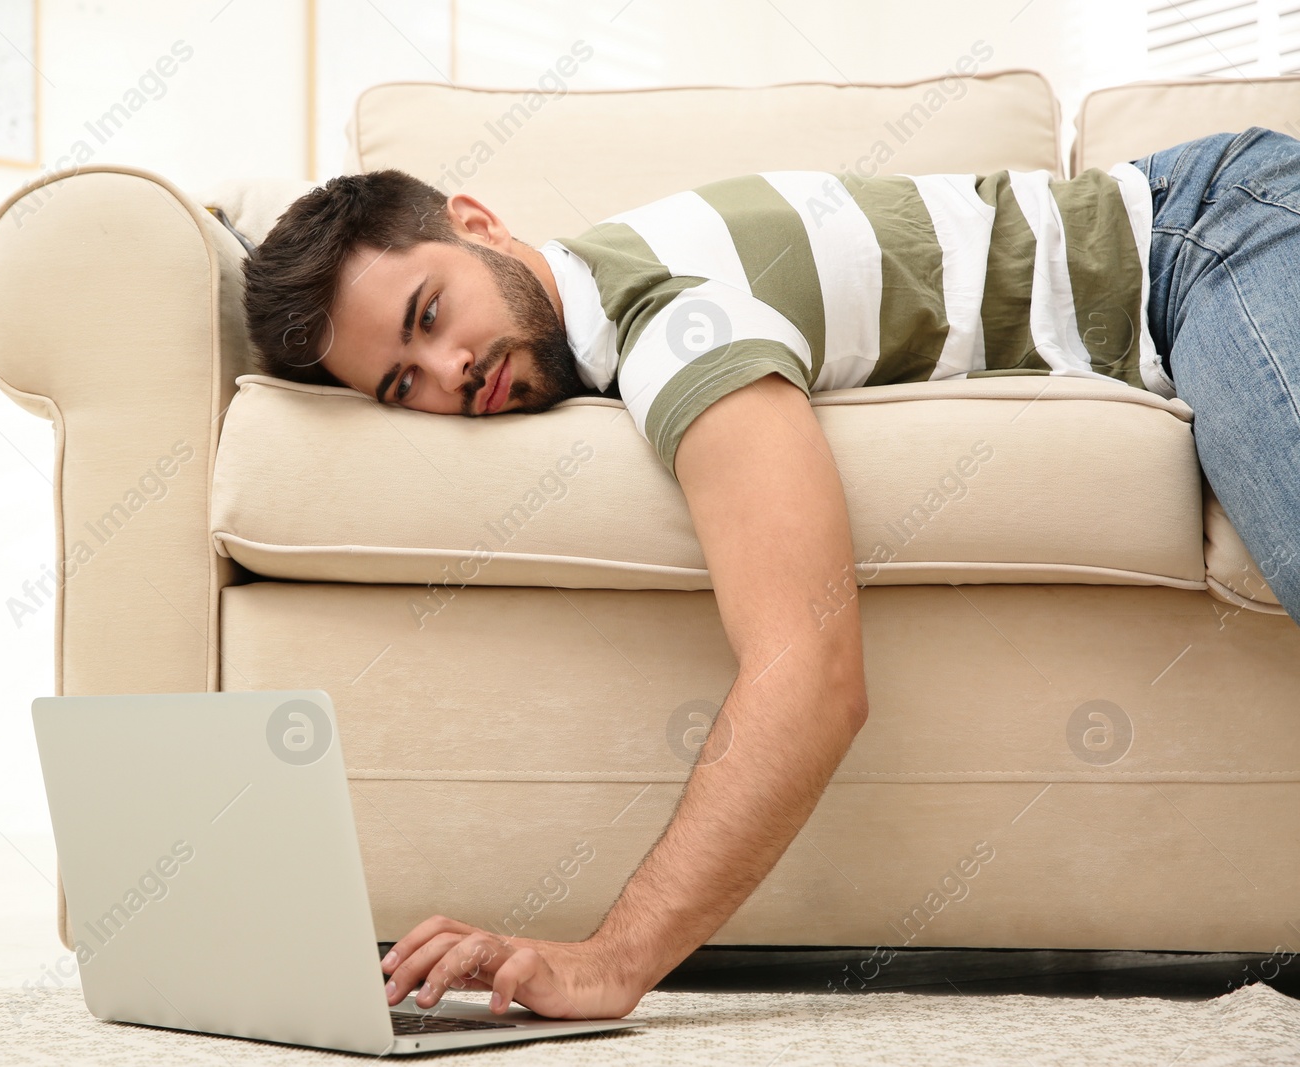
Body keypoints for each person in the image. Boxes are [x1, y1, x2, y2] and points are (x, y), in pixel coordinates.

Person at [239, 126, 1300, 1020]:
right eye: (398, 386)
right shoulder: (608, 308)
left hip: (1211, 233)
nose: (448, 375)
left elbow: (810, 675)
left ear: (476, 223)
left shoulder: (669, 318)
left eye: (430, 315)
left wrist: (611, 957)